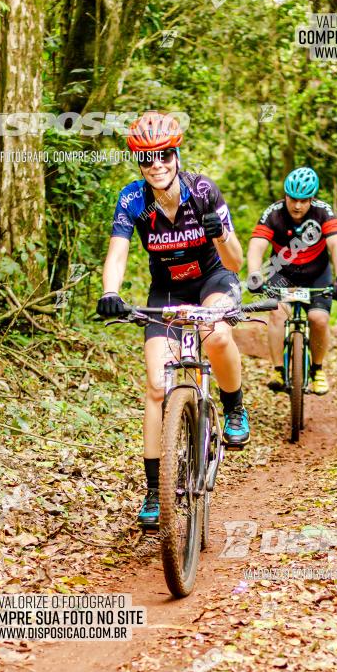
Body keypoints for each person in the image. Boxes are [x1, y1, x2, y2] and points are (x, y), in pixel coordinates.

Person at [96, 111, 248, 530]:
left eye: (164, 155)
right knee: (156, 385)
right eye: (147, 159)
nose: (157, 165)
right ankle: (154, 490)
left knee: (214, 336)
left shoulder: (203, 192)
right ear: (139, 164)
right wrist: (110, 292)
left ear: (176, 154)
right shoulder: (132, 200)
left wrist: (220, 233)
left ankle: (235, 408)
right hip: (166, 290)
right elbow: (119, 252)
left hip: (213, 279)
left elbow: (235, 262)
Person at [246, 167, 337, 395]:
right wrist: (254, 275)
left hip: (316, 274)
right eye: (293, 199)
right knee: (277, 313)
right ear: (285, 195)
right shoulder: (273, 213)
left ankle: (318, 369)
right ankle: (278, 371)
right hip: (284, 275)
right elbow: (257, 246)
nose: (298, 205)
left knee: (318, 319)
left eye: (304, 200)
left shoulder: (323, 213)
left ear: (312, 198)